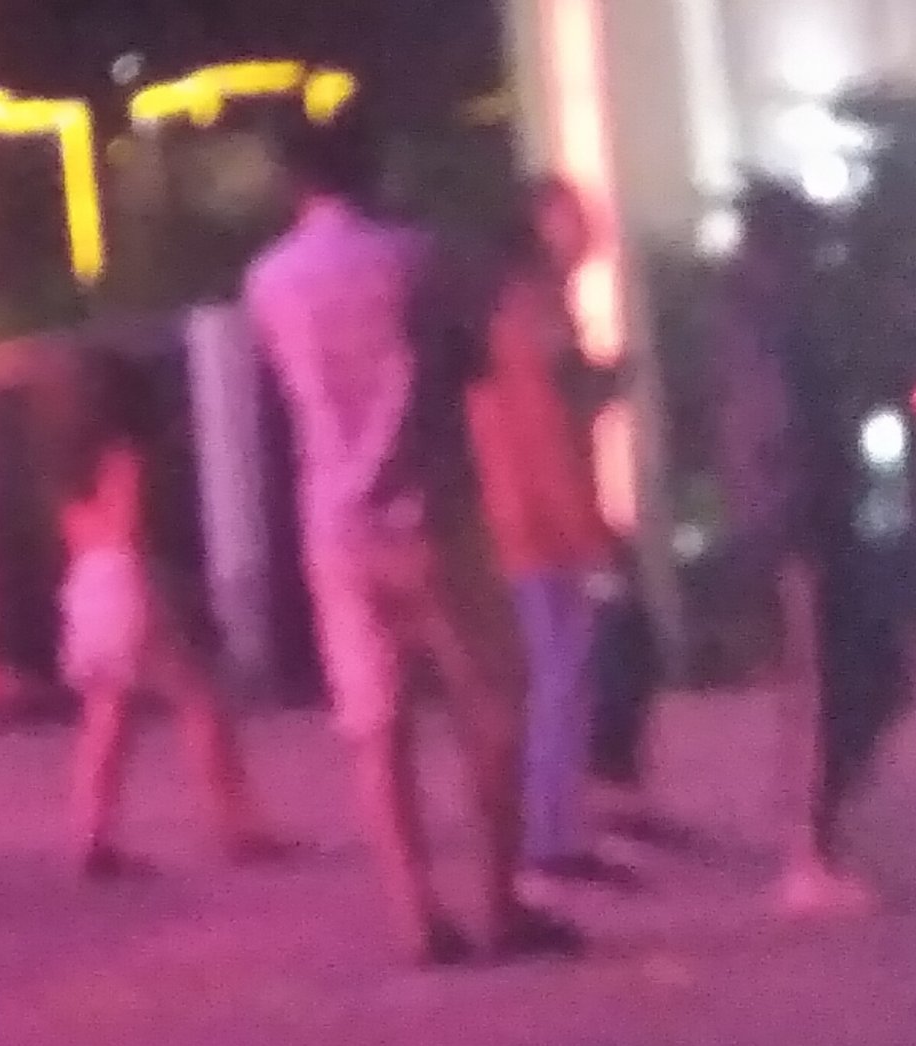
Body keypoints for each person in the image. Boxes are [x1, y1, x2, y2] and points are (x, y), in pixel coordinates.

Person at [243, 115, 580, 968]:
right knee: (492, 703)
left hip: (334, 524)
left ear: (294, 182)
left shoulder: (269, 280)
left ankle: (416, 913)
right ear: (376, 168)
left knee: (376, 723)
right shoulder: (422, 259)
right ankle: (499, 902)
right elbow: (476, 355)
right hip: (435, 511)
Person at [713, 180, 912, 919]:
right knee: (823, 684)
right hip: (799, 522)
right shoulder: (765, 323)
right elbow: (774, 431)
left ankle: (814, 835)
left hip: (809, 517)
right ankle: (807, 850)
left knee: (865, 675)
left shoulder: (771, 317)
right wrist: (790, 517)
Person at [58, 355, 289, 877]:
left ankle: (93, 836)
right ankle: (238, 827)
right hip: (128, 576)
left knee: (107, 714)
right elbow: (132, 524)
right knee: (201, 702)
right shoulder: (125, 452)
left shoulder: (68, 463)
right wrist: (170, 593)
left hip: (85, 581)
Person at [465, 176, 627, 892]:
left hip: (526, 516)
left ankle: (554, 831)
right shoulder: (532, 310)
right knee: (561, 679)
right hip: (539, 524)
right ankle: (547, 838)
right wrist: (587, 533)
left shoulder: (520, 304)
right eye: (571, 217)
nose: (586, 228)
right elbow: (543, 432)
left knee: (560, 677)